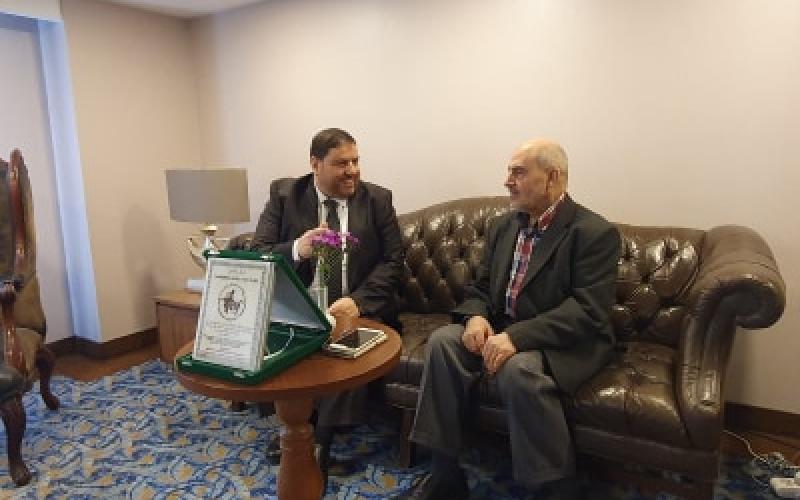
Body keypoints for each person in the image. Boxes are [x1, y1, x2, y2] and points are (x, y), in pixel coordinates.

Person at [404, 138, 620, 500]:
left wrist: (517, 337)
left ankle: (553, 488)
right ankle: (444, 474)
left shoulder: (594, 233)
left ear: (553, 178)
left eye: (518, 173)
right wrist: (475, 318)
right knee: (443, 342)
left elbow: (588, 309)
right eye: (509, 172)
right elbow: (481, 287)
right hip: (503, 329)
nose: (507, 181)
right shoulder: (504, 226)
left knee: (519, 369)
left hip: (564, 341)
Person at [251, 128, 404, 480]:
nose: (352, 171)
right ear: (315, 164)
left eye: (356, 161)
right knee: (286, 339)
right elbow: (258, 253)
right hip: (302, 310)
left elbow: (394, 261)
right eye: (341, 164)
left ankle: (316, 443)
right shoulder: (285, 197)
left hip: (361, 311)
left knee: (350, 349)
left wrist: (357, 301)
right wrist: (296, 249)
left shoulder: (377, 199)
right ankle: (297, 427)